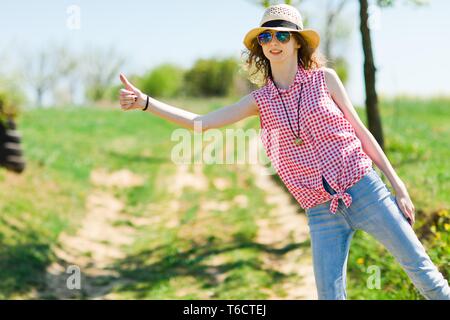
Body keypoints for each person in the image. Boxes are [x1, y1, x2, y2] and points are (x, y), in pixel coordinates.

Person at [118, 4, 450, 300]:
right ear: (260, 47)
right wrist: (146, 102)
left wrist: (399, 186)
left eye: (282, 35)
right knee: (330, 295)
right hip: (321, 212)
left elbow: (362, 133)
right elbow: (201, 122)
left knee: (422, 271)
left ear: (296, 42)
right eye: (266, 37)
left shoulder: (325, 79)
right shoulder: (259, 101)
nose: (274, 42)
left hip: (364, 188)